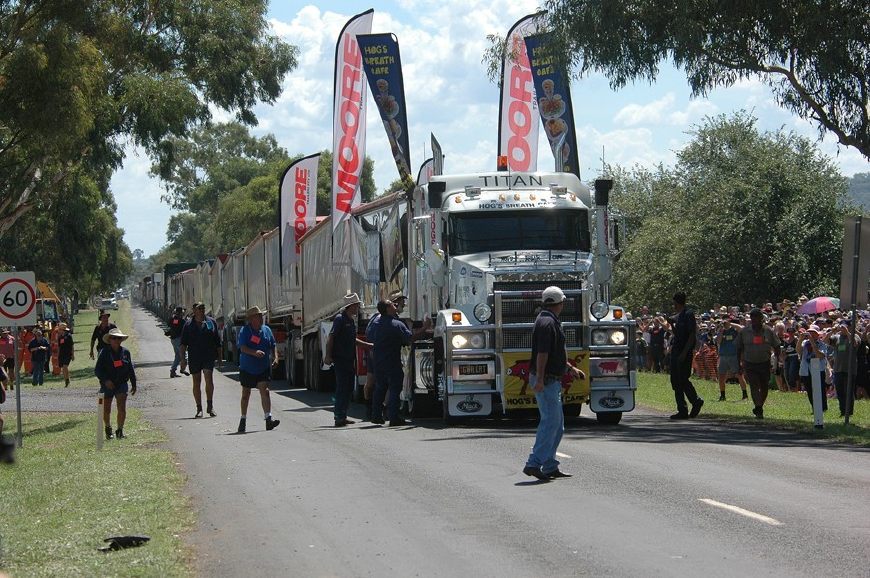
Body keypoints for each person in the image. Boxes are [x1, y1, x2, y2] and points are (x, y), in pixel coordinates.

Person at [522, 286, 585, 481]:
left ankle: (549, 465)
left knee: (557, 425)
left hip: (551, 378)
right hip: (547, 379)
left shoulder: (547, 320)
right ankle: (534, 463)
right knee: (550, 422)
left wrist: (569, 368)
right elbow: (543, 354)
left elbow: (552, 353)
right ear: (561, 303)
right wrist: (540, 379)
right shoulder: (547, 323)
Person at [369, 299, 430, 427]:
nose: (395, 305)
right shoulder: (396, 324)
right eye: (392, 304)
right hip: (392, 361)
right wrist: (425, 327)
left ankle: (376, 416)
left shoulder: (376, 323)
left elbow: (370, 337)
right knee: (395, 388)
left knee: (380, 387)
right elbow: (410, 338)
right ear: (388, 309)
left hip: (378, 360)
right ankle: (393, 417)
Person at [323, 293, 372, 427]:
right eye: (356, 305)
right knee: (342, 387)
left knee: (349, 387)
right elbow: (331, 337)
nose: (358, 308)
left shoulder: (350, 320)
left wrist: (367, 346)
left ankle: (343, 415)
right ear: (351, 306)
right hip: (340, 359)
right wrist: (328, 355)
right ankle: (338, 416)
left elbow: (352, 340)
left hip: (349, 359)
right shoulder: (340, 319)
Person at [236, 306, 280, 433]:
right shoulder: (245, 331)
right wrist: (254, 352)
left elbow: (273, 345)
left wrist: (276, 357)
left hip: (263, 367)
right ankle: (243, 420)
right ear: (251, 319)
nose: (261, 318)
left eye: (261, 315)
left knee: (265, 391)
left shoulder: (266, 330)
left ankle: (268, 419)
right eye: (258, 316)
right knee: (246, 394)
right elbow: (242, 348)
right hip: (247, 368)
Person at [736, 309, 780, 419]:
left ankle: (760, 405)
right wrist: (739, 364)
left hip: (764, 362)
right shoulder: (744, 332)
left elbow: (777, 346)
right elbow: (738, 348)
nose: (754, 321)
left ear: (762, 319)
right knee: (754, 384)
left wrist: (776, 362)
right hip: (749, 363)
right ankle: (758, 407)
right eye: (752, 318)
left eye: (757, 318)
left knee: (764, 385)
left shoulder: (768, 331)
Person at [179, 302, 221, 418]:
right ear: (194, 310)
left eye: (203, 308)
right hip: (195, 357)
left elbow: (217, 341)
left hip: (208, 355)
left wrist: (220, 357)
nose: (202, 310)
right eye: (199, 308)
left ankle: (210, 406)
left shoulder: (211, 322)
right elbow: (183, 344)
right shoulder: (188, 325)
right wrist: (183, 359)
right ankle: (199, 408)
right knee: (196, 382)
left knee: (209, 379)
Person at [95, 327, 137, 439]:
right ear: (110, 339)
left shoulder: (126, 352)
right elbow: (97, 370)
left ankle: (120, 431)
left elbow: (130, 369)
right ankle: (108, 428)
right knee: (106, 409)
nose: (116, 340)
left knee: (122, 408)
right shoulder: (104, 352)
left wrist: (134, 383)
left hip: (121, 384)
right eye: (114, 338)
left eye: (118, 338)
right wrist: (106, 380)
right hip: (107, 385)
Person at [669, 292, 703, 420]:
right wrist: (672, 324)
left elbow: (691, 335)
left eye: (674, 303)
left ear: (677, 302)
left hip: (684, 351)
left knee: (683, 379)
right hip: (676, 350)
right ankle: (682, 410)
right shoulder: (680, 316)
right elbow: (677, 334)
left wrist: (684, 353)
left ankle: (696, 400)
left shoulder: (688, 315)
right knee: (675, 381)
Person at [828, 322, 857, 417]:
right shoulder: (836, 337)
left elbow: (854, 344)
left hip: (850, 369)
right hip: (838, 369)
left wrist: (848, 332)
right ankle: (843, 411)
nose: (842, 328)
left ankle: (849, 412)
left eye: (845, 326)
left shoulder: (854, 336)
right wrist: (831, 331)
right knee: (840, 392)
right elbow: (825, 341)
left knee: (848, 391)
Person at [798, 325, 828, 412]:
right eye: (809, 332)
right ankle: (814, 408)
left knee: (820, 390)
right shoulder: (804, 343)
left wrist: (812, 342)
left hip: (818, 370)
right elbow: (798, 351)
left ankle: (823, 408)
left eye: (813, 333)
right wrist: (800, 339)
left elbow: (820, 356)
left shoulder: (822, 344)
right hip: (806, 370)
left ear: (817, 334)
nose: (810, 334)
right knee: (810, 390)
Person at [716, 317, 747, 401]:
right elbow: (718, 341)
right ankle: (722, 395)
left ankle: (745, 395)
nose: (724, 323)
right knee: (721, 376)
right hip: (723, 356)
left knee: (739, 375)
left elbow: (742, 328)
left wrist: (730, 324)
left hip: (734, 356)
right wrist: (721, 330)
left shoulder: (734, 330)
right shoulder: (721, 331)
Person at [166, 306, 188, 378]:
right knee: (184, 355)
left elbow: (171, 324)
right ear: (180, 313)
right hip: (178, 339)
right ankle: (182, 369)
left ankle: (173, 371)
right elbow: (177, 326)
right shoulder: (178, 320)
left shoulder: (175, 319)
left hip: (174, 339)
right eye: (182, 313)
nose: (183, 314)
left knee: (178, 356)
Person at [56, 322, 74, 387]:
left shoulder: (68, 336)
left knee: (65, 366)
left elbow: (72, 345)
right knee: (63, 368)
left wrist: (72, 354)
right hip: (61, 354)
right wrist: (58, 355)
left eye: (59, 329)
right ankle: (66, 380)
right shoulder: (60, 337)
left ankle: (67, 380)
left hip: (68, 354)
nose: (58, 331)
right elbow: (59, 347)